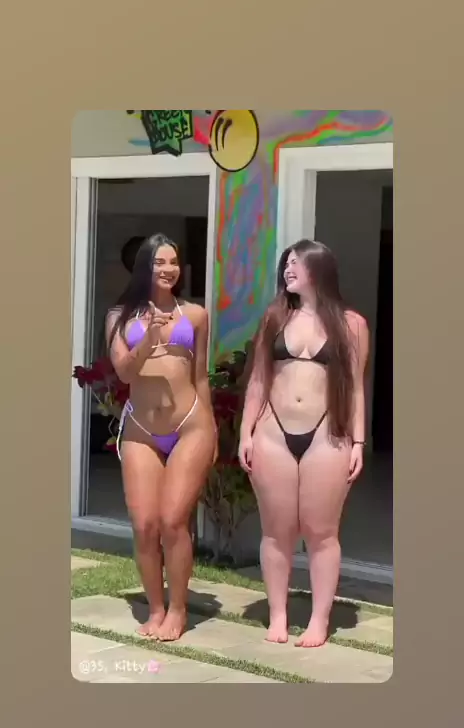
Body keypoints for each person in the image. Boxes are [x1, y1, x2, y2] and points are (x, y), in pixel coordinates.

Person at [238, 239, 369, 648]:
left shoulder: (351, 324)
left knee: (322, 532)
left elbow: (356, 388)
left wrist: (359, 441)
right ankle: (278, 614)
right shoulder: (275, 317)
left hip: (327, 434)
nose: (288, 269)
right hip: (272, 432)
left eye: (297, 262)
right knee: (276, 531)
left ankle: (318, 620)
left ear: (319, 268)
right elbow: (258, 380)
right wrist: (245, 433)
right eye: (286, 263)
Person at [106, 233, 217, 641]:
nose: (169, 269)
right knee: (145, 524)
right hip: (141, 429)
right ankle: (155, 608)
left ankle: (178, 609)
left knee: (173, 521)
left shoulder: (196, 315)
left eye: (173, 261)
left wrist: (212, 429)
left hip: (190, 425)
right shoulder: (119, 317)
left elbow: (200, 377)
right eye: (159, 262)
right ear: (144, 267)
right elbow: (123, 372)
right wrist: (149, 340)